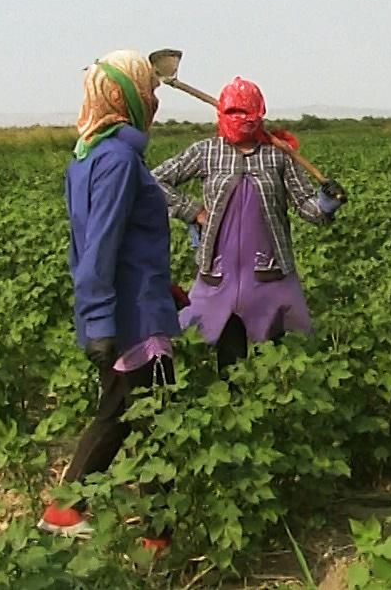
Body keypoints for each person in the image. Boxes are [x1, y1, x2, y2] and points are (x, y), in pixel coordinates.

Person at [38, 50, 180, 551]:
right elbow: (99, 241)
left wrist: (163, 287)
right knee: (138, 412)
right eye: (150, 90)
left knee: (150, 413)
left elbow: (107, 243)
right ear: (124, 96)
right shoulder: (119, 159)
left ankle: (157, 534)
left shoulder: (90, 155)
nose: (156, 100)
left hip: (135, 302)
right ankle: (68, 509)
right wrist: (100, 315)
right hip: (130, 316)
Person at [152, 78, 346, 376]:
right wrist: (193, 212)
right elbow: (155, 180)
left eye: (246, 113)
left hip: (268, 274)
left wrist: (325, 204)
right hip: (219, 275)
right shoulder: (207, 152)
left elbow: (305, 204)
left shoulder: (278, 154)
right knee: (229, 360)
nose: (240, 120)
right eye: (233, 113)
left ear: (259, 114)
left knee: (274, 361)